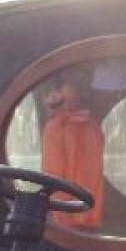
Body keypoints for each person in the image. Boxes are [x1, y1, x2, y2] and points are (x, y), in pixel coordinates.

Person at [41, 80, 105, 229]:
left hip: (81, 216)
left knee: (83, 176)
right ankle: (76, 216)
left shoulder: (88, 126)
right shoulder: (55, 127)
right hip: (72, 215)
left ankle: (81, 216)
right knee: (60, 174)